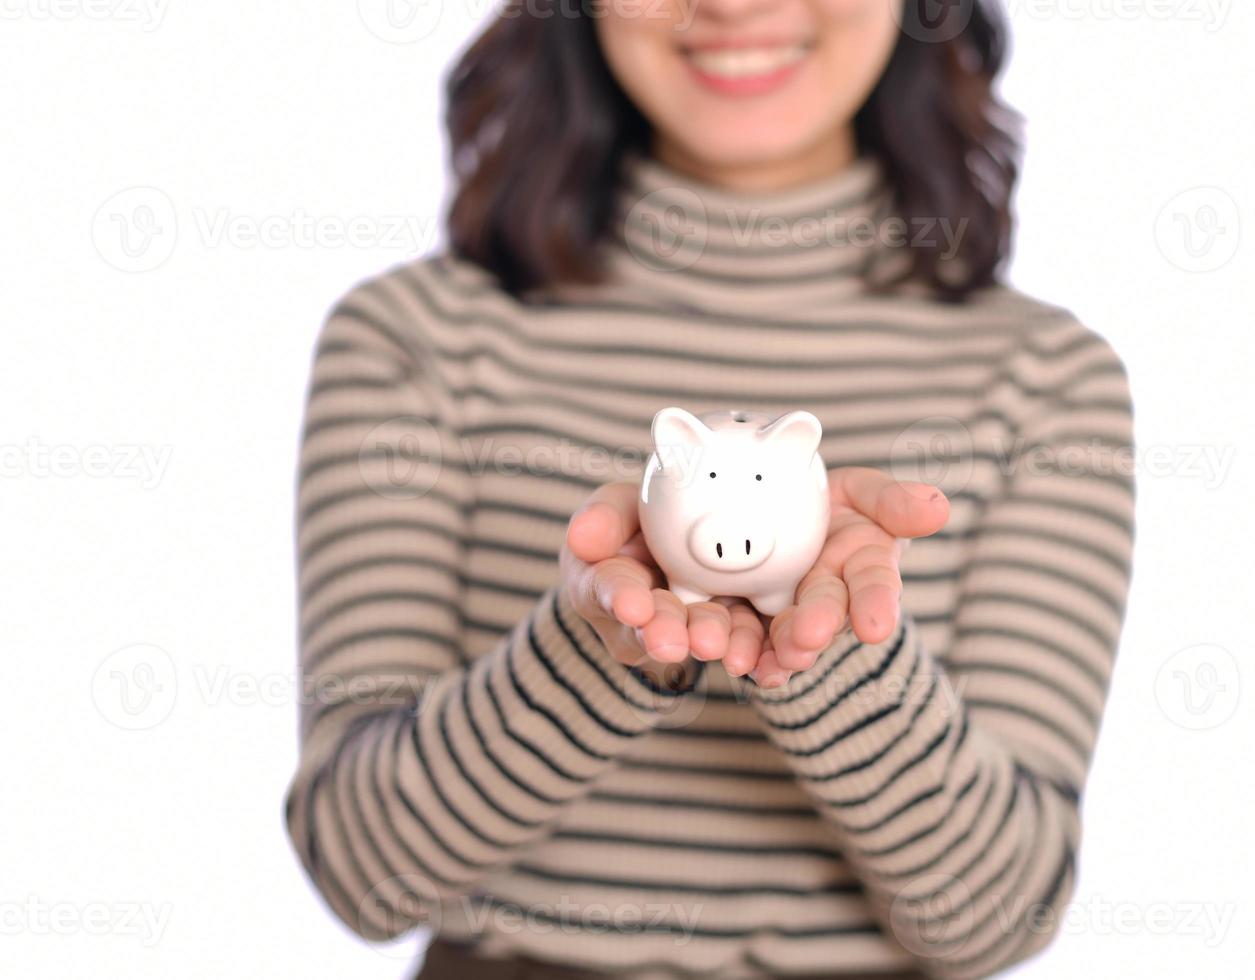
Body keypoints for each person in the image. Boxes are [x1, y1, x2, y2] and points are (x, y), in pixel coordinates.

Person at [283, 1, 1135, 977]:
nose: (734, 4)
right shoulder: (416, 340)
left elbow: (997, 916)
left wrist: (827, 642)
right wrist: (593, 643)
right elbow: (362, 871)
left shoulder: (1043, 380)